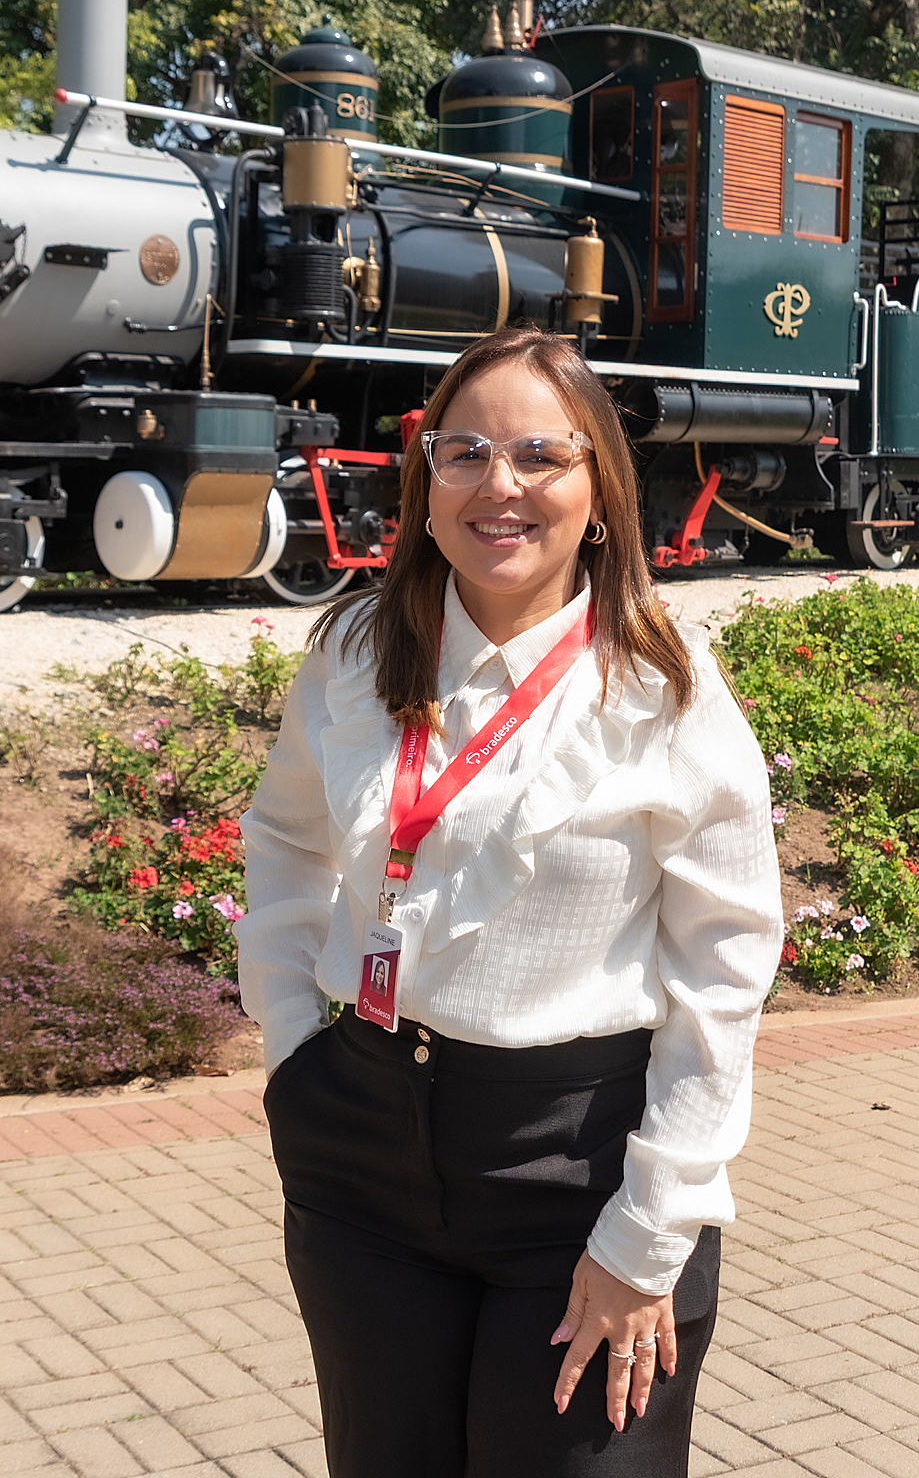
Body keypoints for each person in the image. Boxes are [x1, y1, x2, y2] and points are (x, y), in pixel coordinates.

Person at [239, 327, 782, 1478]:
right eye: (466, 452)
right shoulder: (354, 650)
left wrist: (650, 1230)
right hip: (362, 1156)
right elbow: (283, 837)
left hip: (581, 1172)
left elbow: (726, 964)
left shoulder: (663, 685)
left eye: (541, 454)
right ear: (426, 483)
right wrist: (293, 1049)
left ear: (600, 494)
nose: (501, 484)